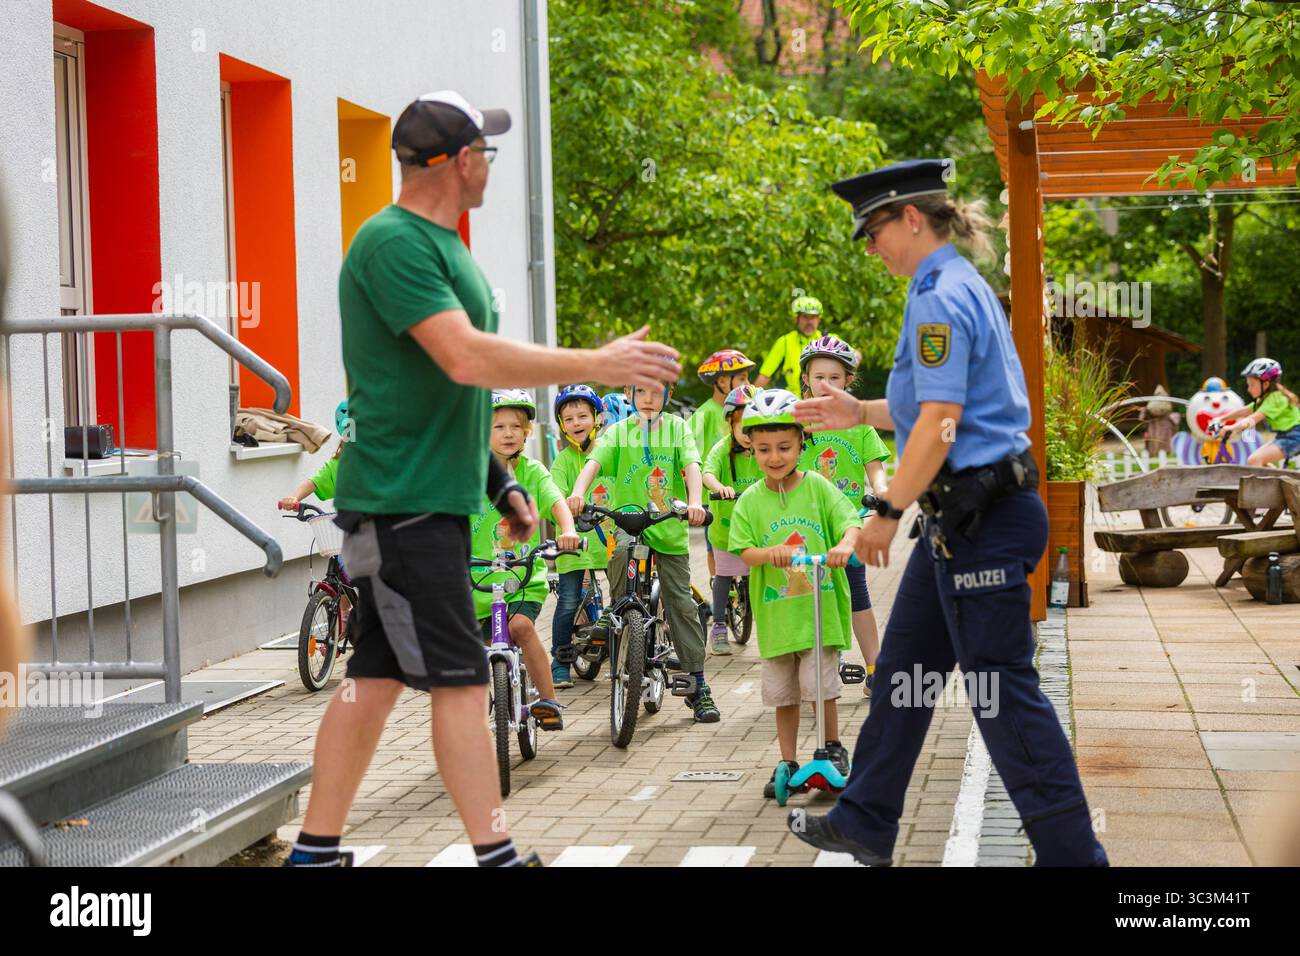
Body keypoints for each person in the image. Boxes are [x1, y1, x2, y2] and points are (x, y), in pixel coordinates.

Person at [288, 90, 680, 869]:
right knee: (462, 678)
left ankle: (316, 850)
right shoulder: (392, 243)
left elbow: (447, 393)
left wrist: (497, 480)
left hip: (428, 498)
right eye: (485, 151)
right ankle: (494, 854)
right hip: (396, 505)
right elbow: (466, 359)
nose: (490, 164)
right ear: (459, 160)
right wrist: (594, 364)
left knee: (375, 672)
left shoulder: (445, 246)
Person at [791, 158, 1108, 867]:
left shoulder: (938, 296)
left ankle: (1074, 856)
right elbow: (936, 407)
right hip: (963, 524)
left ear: (910, 217)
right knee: (904, 673)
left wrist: (883, 509)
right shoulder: (954, 284)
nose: (870, 248)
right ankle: (867, 819)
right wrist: (859, 411)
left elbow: (941, 419)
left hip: (981, 524)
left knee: (1001, 697)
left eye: (873, 232)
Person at [728, 389, 860, 796]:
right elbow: (744, 551)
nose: (775, 456)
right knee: (784, 696)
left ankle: (832, 749)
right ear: (751, 449)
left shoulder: (818, 487)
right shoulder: (750, 501)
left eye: (784, 446)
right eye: (764, 448)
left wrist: (844, 546)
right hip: (777, 621)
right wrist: (770, 553)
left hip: (819, 615)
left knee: (821, 688)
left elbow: (849, 521)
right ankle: (786, 759)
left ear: (802, 442)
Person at [567, 382, 720, 722]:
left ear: (668, 395)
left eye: (656, 393)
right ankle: (616, 606)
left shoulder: (678, 428)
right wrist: (578, 492)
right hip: (630, 522)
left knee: (681, 603)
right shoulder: (619, 432)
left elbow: (692, 465)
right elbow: (594, 462)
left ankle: (698, 685)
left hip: (668, 524)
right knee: (621, 551)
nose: (648, 400)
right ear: (630, 393)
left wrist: (695, 503)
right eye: (641, 393)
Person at [468, 389, 579, 726]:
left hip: (520, 582)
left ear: (527, 432)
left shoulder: (531, 472)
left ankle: (548, 701)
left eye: (516, 426)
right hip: (475, 584)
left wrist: (568, 528)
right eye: (498, 427)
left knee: (520, 627)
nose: (508, 433)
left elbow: (556, 502)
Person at [797, 335, 890, 696]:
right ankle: (809, 667)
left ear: (849, 381)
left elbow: (876, 469)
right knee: (801, 596)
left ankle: (875, 667)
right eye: (819, 377)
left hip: (848, 525)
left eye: (835, 378)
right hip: (802, 526)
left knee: (857, 594)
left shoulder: (860, 425)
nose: (826, 385)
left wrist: (882, 492)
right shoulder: (795, 419)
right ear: (806, 378)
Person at [547, 383, 614, 688]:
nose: (577, 424)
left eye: (583, 416)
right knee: (568, 600)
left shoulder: (609, 450)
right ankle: (560, 661)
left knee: (625, 595)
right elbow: (554, 497)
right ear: (562, 425)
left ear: (597, 418)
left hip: (609, 539)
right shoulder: (562, 461)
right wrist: (566, 507)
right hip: (574, 541)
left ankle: (626, 648)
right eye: (570, 419)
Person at [277, 400, 355, 626]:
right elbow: (312, 482)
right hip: (348, 531)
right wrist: (295, 498)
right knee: (341, 567)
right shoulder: (337, 465)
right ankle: (342, 620)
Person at [700, 383, 763, 655]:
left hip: (757, 531)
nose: (749, 435)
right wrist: (718, 488)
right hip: (725, 531)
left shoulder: (764, 449)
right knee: (724, 575)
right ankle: (720, 627)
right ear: (730, 423)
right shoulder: (722, 449)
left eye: (755, 427)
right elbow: (707, 473)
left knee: (762, 578)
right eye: (743, 427)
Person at [692, 349, 756, 580]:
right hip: (716, 491)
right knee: (714, 547)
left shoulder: (745, 410)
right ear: (721, 381)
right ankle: (719, 585)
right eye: (741, 378)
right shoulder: (705, 413)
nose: (747, 383)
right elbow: (689, 451)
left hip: (743, 485)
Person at [1211, 358, 1300, 467]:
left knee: (1255, 460)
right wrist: (1221, 418)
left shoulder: (1276, 399)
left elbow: (1253, 418)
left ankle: (1272, 482)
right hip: (1285, 436)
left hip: (1294, 437)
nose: (1249, 389)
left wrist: (1231, 428)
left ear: (1266, 384)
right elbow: (1244, 411)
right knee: (1255, 461)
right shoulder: (1266, 399)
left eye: (1252, 385)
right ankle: (1278, 481)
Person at [754, 295, 827, 392]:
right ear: (796, 318)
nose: (809, 322)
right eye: (805, 316)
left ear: (819, 319)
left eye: (813, 317)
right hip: (793, 403)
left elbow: (853, 357)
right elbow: (765, 376)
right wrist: (749, 400)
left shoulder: (829, 340)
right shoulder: (784, 342)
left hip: (822, 401)